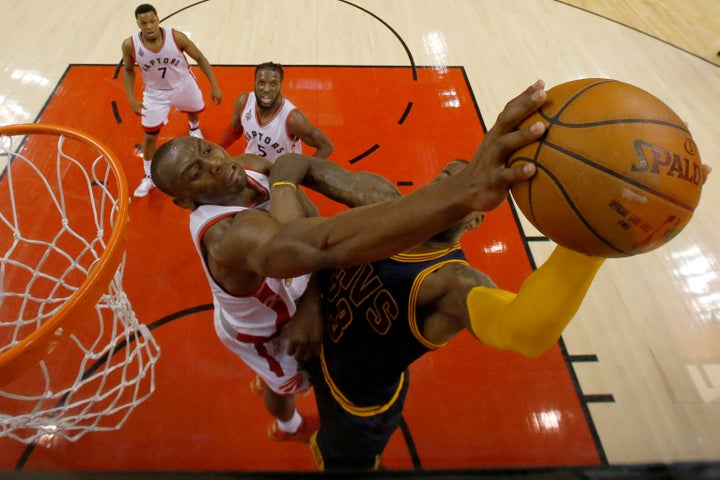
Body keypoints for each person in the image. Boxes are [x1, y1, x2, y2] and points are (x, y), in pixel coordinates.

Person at [149, 80, 548, 444]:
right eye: (197, 172)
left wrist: (310, 297)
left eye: (206, 150)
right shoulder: (230, 237)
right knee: (288, 382)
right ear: (186, 201)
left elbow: (306, 209)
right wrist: (464, 189)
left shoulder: (246, 167)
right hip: (263, 329)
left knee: (310, 339)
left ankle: (276, 379)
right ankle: (287, 423)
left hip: (293, 291)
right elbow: (318, 244)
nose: (216, 163)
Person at [122, 3, 222, 198]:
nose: (149, 26)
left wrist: (214, 85)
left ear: (158, 19)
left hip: (183, 84)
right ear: (138, 24)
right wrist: (131, 98)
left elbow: (200, 57)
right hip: (155, 93)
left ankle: (194, 127)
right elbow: (127, 70)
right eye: (144, 23)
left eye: (152, 21)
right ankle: (149, 176)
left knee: (194, 111)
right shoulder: (130, 45)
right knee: (150, 137)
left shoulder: (176, 38)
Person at [217, 61, 333, 161]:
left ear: (280, 86)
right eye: (262, 83)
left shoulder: (293, 119)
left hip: (280, 176)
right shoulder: (244, 102)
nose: (266, 89)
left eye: (273, 84)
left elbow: (326, 147)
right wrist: (216, 149)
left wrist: (300, 173)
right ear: (255, 84)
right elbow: (234, 130)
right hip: (253, 168)